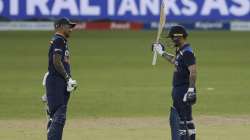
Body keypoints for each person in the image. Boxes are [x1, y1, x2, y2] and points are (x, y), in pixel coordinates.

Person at [152, 25, 197, 140]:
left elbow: (193, 71)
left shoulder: (187, 52)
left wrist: (191, 90)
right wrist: (162, 52)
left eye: (172, 37)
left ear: (179, 37)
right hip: (180, 89)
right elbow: (174, 60)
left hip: (183, 89)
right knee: (187, 118)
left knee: (181, 119)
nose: (171, 40)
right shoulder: (181, 51)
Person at [45, 17, 78, 140]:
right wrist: (67, 78)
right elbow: (56, 61)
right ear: (60, 27)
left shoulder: (60, 41)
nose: (71, 29)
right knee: (59, 115)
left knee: (56, 116)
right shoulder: (58, 40)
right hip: (57, 82)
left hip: (57, 82)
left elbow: (55, 63)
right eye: (68, 26)